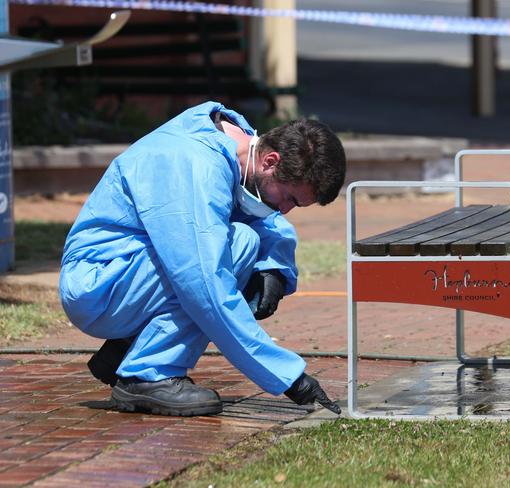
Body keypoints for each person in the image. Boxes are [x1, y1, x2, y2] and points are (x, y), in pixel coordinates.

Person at [59, 101, 346, 416]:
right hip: (98, 285)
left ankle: (133, 347)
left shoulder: (241, 145)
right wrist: (291, 379)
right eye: (290, 198)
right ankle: (147, 375)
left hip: (126, 272)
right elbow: (205, 286)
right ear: (270, 160)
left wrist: (274, 269)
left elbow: (270, 225)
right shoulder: (195, 165)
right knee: (234, 251)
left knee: (243, 243)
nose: (286, 211)